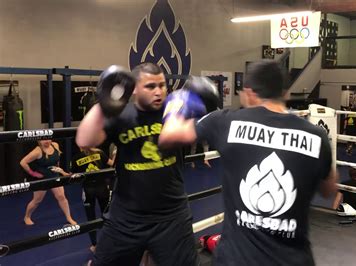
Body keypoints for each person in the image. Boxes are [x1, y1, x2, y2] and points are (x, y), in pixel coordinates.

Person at [159, 60, 338, 265]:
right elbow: (328, 190)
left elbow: (168, 136)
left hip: (236, 259)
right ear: (286, 93)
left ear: (249, 92)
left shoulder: (226, 122)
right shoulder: (316, 135)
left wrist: (179, 102)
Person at [76, 63, 197, 266]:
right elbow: (84, 140)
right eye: (150, 86)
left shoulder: (175, 111)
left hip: (172, 216)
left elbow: (196, 130)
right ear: (134, 89)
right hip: (127, 217)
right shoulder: (121, 114)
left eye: (162, 85)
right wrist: (103, 103)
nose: (158, 91)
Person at [20, 140, 77, 226]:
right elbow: (23, 162)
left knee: (61, 197)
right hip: (43, 179)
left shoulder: (55, 145)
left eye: (48, 139)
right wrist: (33, 173)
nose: (47, 141)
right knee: (37, 200)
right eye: (44, 139)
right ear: (39, 140)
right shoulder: (37, 151)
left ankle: (69, 218)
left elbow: (56, 162)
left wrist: (62, 172)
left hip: (54, 176)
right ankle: (27, 217)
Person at [70, 147, 114, 253]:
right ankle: (110, 242)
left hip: (88, 190)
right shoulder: (100, 152)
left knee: (91, 218)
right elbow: (112, 163)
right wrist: (115, 154)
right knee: (107, 215)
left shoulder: (76, 158)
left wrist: (62, 172)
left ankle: (94, 245)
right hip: (102, 188)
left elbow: (72, 176)